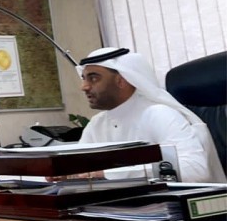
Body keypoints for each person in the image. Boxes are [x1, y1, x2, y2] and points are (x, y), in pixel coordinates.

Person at [77, 47, 227, 183]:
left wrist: (111, 174)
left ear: (121, 81)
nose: (84, 87)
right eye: (84, 79)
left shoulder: (159, 114)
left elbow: (195, 170)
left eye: (93, 78)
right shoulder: (96, 124)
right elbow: (78, 167)